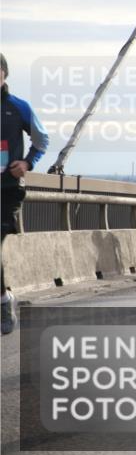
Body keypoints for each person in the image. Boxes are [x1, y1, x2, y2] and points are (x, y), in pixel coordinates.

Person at [1, 53, 49, 335]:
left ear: (4, 74)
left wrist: (28, 162)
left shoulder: (18, 107)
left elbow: (42, 140)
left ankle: (4, 302)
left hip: (7, 190)